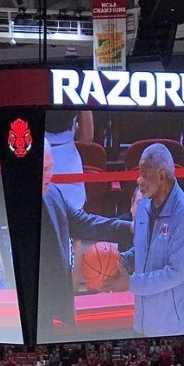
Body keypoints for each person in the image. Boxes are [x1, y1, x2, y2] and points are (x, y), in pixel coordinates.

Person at [37, 143, 133, 335]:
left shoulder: (53, 193)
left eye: (51, 167)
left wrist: (129, 227)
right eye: (45, 169)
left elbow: (85, 223)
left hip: (52, 302)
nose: (50, 174)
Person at [120, 144, 184, 338]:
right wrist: (121, 260)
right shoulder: (144, 206)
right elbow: (141, 250)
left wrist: (128, 283)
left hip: (173, 327)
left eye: (144, 175)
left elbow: (175, 274)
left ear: (162, 175)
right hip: (142, 322)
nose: (139, 180)